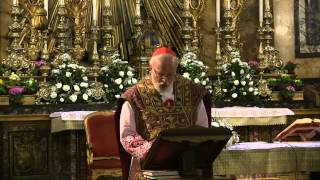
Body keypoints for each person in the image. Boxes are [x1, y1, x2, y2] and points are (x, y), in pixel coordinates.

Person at [115, 47, 212, 180]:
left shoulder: (193, 93)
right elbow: (127, 134)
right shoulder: (135, 96)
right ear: (150, 68)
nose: (164, 80)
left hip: (186, 167)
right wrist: (152, 152)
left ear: (176, 70)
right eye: (159, 74)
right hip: (148, 167)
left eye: (169, 75)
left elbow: (203, 129)